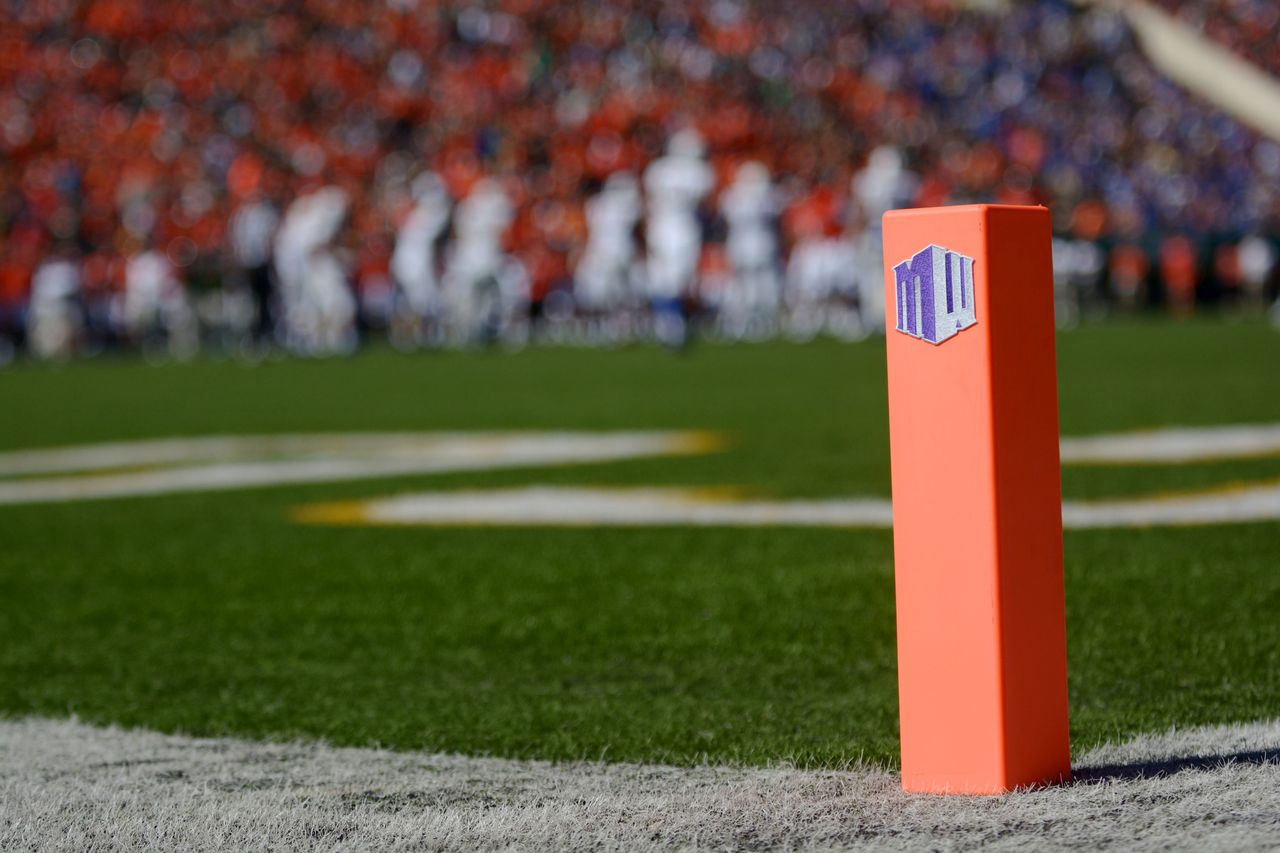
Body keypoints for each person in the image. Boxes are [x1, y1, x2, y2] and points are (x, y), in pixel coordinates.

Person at [644, 129, 713, 347]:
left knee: (662, 278)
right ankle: (673, 325)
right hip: (684, 229)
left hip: (660, 228)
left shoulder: (657, 169)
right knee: (678, 280)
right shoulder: (699, 172)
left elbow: (650, 200)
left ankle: (667, 323)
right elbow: (705, 202)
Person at [442, 178, 525, 346]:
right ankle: (482, 332)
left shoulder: (468, 208)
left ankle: (479, 333)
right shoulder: (490, 208)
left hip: (475, 259)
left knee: (480, 300)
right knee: (482, 299)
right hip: (483, 259)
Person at [274, 186, 356, 355]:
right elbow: (314, 248)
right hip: (311, 269)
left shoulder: (304, 220)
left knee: (326, 309)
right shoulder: (314, 218)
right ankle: (316, 343)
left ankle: (327, 344)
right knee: (330, 307)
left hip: (308, 269)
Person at [574, 170, 642, 343]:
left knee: (603, 294)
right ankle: (617, 327)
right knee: (619, 293)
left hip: (600, 250)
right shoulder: (628, 206)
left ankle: (605, 327)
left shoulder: (594, 203)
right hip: (621, 250)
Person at [719, 161, 781, 341]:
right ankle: (741, 322)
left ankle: (759, 321)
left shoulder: (762, 196)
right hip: (749, 244)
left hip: (754, 244)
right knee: (744, 286)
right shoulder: (736, 196)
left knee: (761, 286)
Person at [389, 172, 451, 348]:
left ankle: (421, 336)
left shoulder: (415, 214)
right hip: (413, 265)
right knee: (420, 303)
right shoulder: (423, 215)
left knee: (424, 302)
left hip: (411, 264)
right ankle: (412, 337)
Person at [228, 195, 280, 348]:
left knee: (265, 300)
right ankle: (252, 335)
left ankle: (265, 333)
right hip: (247, 264)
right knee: (248, 302)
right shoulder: (242, 215)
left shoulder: (265, 213)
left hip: (262, 264)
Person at [27, 247, 82, 361]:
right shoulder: (44, 269)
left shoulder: (67, 268)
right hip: (45, 311)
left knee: (62, 339)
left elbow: (71, 288)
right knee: (45, 340)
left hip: (61, 310)